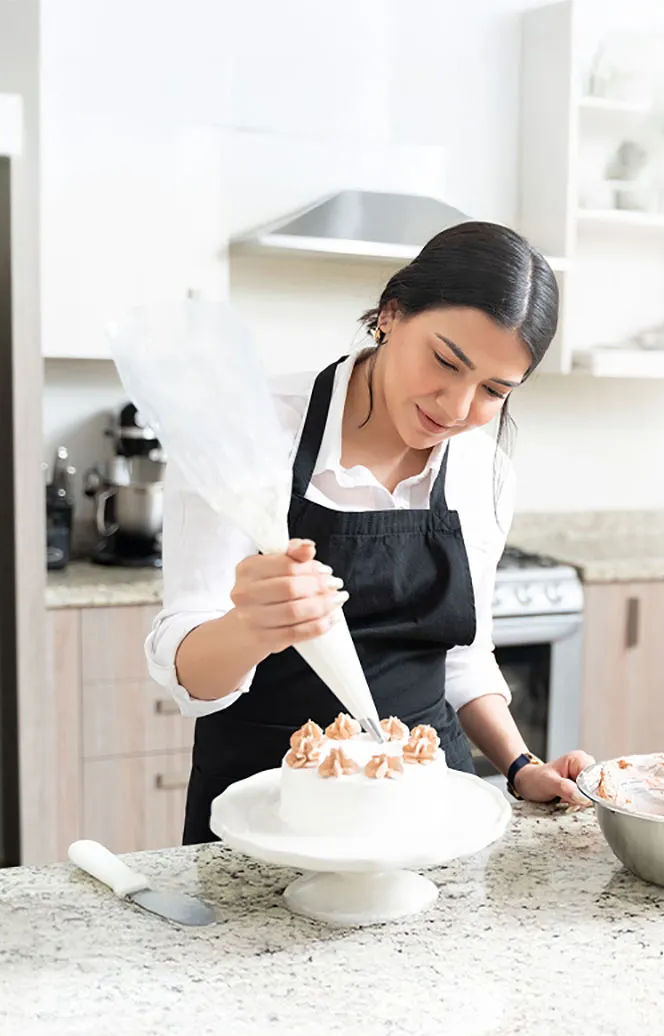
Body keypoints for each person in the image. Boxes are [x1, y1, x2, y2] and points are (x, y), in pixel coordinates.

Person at [146, 221, 592, 844]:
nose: (457, 409)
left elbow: (464, 658)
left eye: (494, 390)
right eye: (445, 361)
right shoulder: (252, 435)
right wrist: (250, 627)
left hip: (427, 806)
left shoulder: (482, 469)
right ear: (391, 313)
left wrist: (521, 766)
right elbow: (189, 676)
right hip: (267, 808)